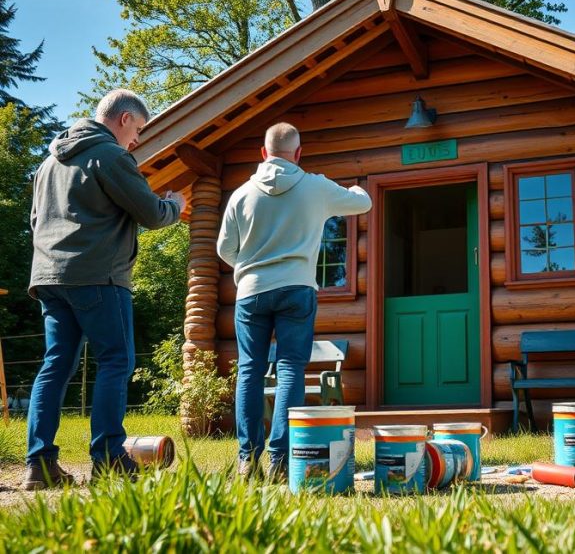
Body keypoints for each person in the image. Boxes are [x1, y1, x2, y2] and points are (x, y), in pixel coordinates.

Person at [25, 89, 185, 489]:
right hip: (99, 277)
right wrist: (175, 205)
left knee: (55, 366)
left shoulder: (48, 163)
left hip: (48, 278)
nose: (137, 141)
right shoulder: (110, 156)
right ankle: (109, 457)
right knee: (115, 361)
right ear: (124, 118)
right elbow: (149, 213)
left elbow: (34, 222)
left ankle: (39, 464)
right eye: (139, 130)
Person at [217, 122, 371, 482]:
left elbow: (225, 249)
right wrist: (353, 187)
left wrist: (251, 267)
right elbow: (362, 203)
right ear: (298, 154)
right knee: (290, 369)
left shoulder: (240, 194)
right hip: (297, 289)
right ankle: (279, 459)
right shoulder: (315, 186)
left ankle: (246, 459)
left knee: (250, 370)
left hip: (251, 292)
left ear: (263, 152)